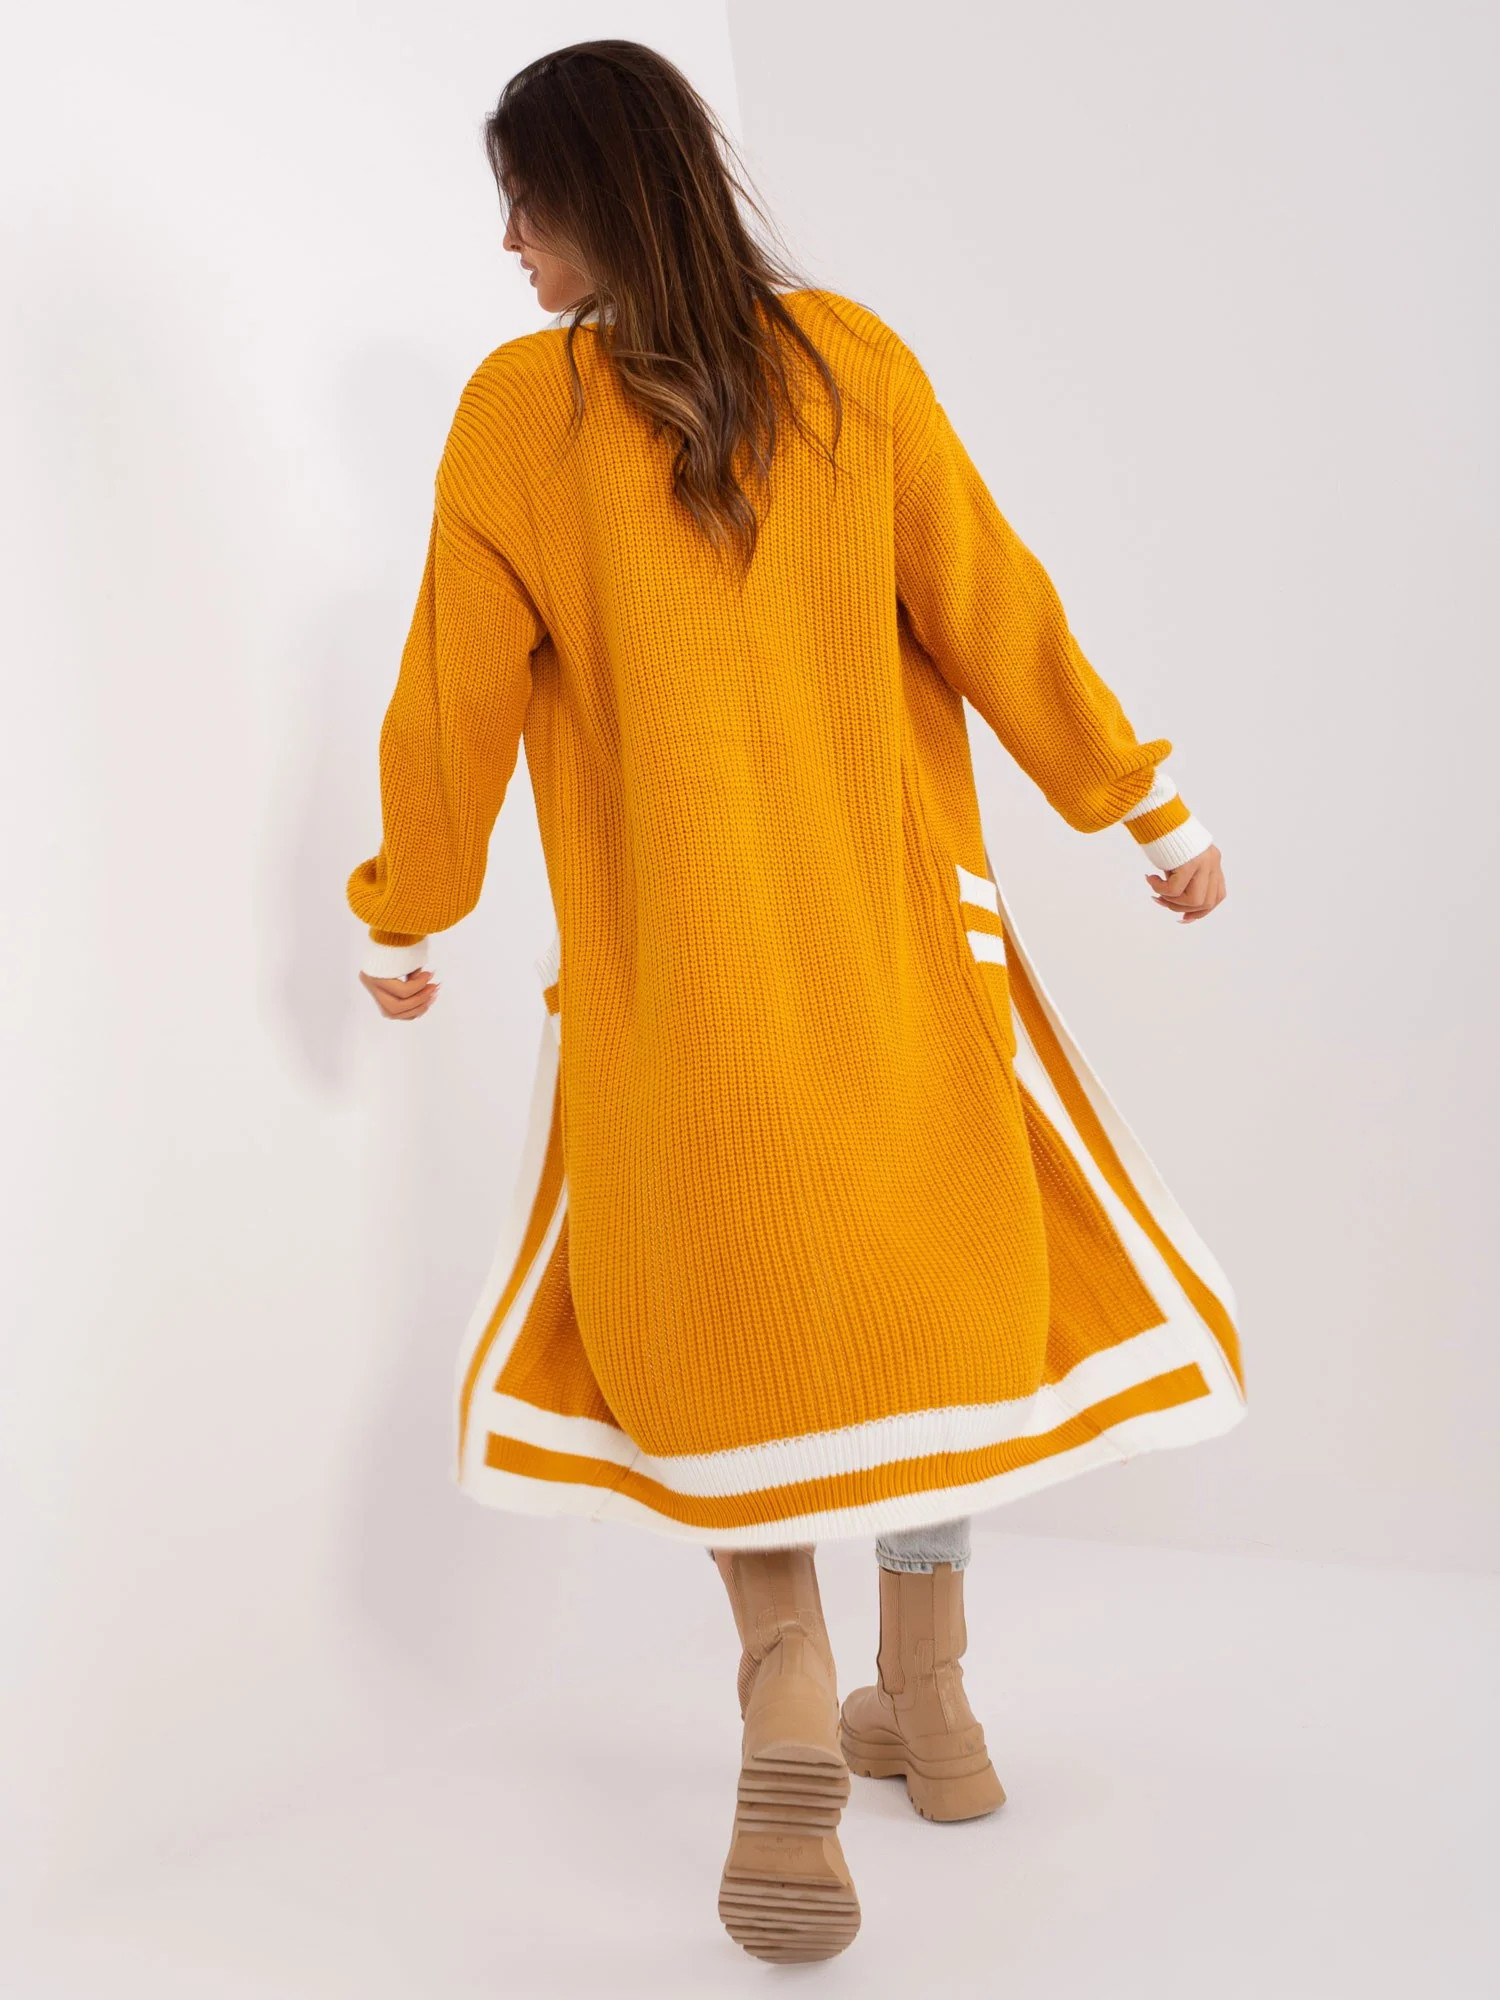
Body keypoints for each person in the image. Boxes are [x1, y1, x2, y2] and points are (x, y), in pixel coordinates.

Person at [347, 39, 1238, 1966]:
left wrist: (405, 917)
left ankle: (789, 1689)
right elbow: (999, 608)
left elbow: (450, 707)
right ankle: (936, 1702)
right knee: (916, 1322)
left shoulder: (517, 416)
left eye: (525, 201)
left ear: (605, 191)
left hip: (682, 1005)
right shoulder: (853, 364)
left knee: (731, 1341)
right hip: (899, 964)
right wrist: (1142, 807)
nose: (507, 244)